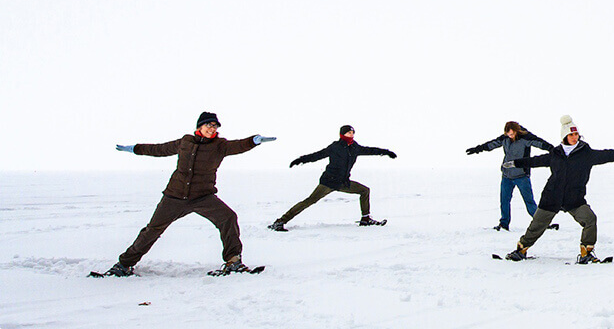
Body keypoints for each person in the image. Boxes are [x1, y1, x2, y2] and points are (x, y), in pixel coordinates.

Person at [96, 112, 275, 277]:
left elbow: (238, 145)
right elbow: (159, 149)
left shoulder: (220, 146)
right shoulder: (185, 142)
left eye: (215, 126)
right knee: (152, 230)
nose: (212, 129)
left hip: (203, 196)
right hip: (174, 196)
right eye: (209, 125)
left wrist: (254, 140)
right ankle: (123, 265)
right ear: (199, 126)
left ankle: (233, 261)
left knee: (228, 217)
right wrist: (135, 148)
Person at [500, 117, 614, 264]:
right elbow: (536, 160)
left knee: (590, 219)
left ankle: (586, 252)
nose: (575, 137)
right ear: (564, 136)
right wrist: (515, 163)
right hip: (552, 196)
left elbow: (607, 154)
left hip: (574, 198)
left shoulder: (586, 154)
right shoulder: (556, 153)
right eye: (571, 135)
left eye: (576, 134)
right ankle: (521, 250)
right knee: (536, 226)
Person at [268, 125, 396, 231]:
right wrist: (301, 160)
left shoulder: (355, 147)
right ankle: (280, 221)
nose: (351, 134)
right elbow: (318, 155)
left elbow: (370, 150)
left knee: (364, 190)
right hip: (329, 181)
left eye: (352, 132)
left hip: (343, 182)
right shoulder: (335, 147)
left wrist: (386, 152)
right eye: (348, 132)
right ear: (342, 134)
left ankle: (366, 218)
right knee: (310, 201)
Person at [467, 121, 556, 231]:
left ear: (517, 131)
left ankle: (543, 224)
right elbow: (491, 144)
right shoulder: (505, 138)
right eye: (508, 135)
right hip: (507, 176)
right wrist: (477, 149)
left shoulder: (526, 138)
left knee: (529, 202)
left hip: (522, 176)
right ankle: (504, 224)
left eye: (512, 134)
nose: (510, 136)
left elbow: (541, 143)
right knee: (504, 201)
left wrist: (554, 151)